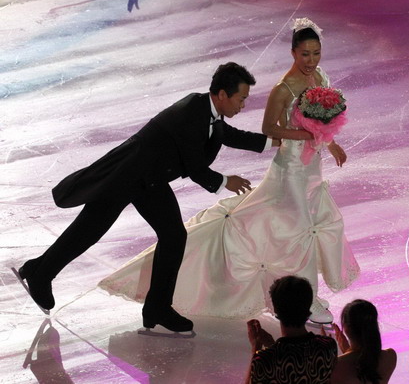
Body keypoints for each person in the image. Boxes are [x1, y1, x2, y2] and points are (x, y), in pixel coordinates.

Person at [99, 17, 360, 324]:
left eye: (316, 53)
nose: (311, 60)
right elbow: (268, 129)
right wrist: (306, 136)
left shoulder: (320, 78)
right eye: (305, 54)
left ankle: (304, 293)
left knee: (308, 225)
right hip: (290, 169)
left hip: (312, 168)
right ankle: (304, 300)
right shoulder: (283, 89)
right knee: (300, 232)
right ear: (293, 52)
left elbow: (322, 124)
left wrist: (328, 143)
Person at [16, 62, 279, 334]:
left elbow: (226, 135)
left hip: (149, 179)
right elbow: (196, 167)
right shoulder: (193, 113)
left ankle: (157, 307)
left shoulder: (208, 112)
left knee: (173, 235)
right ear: (223, 94)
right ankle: (40, 273)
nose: (244, 105)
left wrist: (274, 141)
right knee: (88, 230)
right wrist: (226, 181)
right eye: (242, 98)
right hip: (127, 175)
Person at [245, 275, 337, 384]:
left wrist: (256, 347)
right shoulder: (328, 347)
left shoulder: (264, 360)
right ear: (308, 307)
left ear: (275, 308)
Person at [330, 299, 397, 384]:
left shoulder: (335, 366)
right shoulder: (390, 357)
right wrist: (347, 351)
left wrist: (327, 355)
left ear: (346, 328)